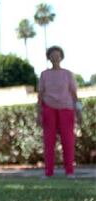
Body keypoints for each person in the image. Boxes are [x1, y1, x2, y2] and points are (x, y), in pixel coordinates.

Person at [37, 45, 82, 178]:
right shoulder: (44, 74)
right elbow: (40, 95)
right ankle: (48, 172)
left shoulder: (68, 74)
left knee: (68, 141)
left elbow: (74, 94)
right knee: (48, 142)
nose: (55, 57)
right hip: (49, 109)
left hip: (66, 110)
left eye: (57, 55)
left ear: (61, 57)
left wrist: (79, 111)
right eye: (52, 55)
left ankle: (70, 172)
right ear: (49, 58)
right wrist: (38, 114)